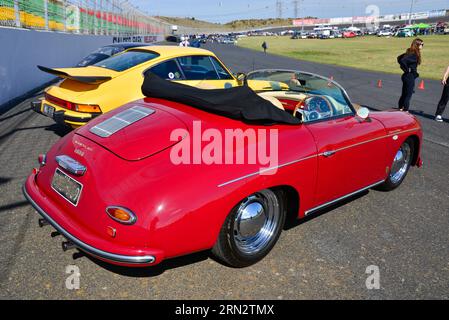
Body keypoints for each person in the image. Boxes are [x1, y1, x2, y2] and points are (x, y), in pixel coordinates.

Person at [397, 38, 424, 112]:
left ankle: (400, 108)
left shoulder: (410, 52)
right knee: (408, 95)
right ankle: (405, 110)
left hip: (407, 76)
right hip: (409, 76)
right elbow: (402, 60)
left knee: (405, 93)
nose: (422, 46)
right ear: (417, 45)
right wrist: (407, 69)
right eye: (421, 44)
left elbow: (399, 58)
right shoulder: (413, 54)